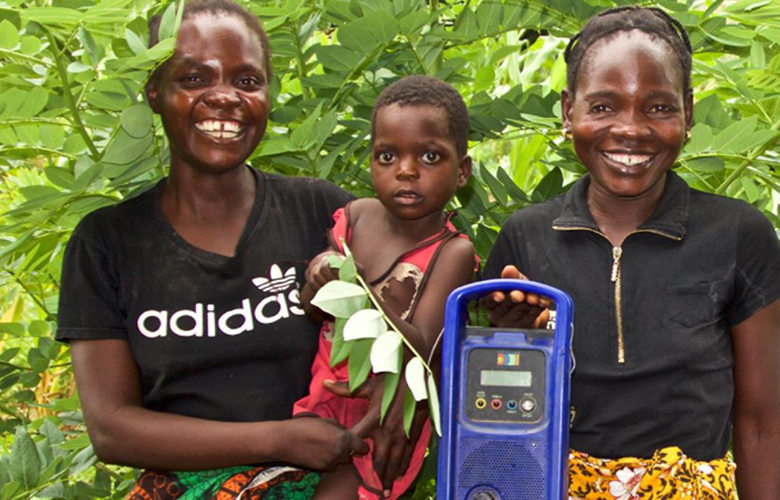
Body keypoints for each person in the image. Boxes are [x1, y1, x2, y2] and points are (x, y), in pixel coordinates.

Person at [55, 1, 372, 498]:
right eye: (194, 79)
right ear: (155, 92)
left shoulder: (324, 212)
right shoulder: (107, 244)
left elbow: (405, 338)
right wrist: (278, 439)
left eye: (247, 81)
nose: (224, 98)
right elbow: (112, 429)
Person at [482, 6, 780, 500]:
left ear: (687, 112)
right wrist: (512, 341)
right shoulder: (527, 237)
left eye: (658, 107)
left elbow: (763, 423)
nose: (631, 129)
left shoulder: (737, 234)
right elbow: (500, 415)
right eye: (603, 106)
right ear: (566, 111)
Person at [294, 75, 478, 500]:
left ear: (462, 171)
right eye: (388, 155)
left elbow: (422, 348)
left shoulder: (453, 252)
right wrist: (319, 272)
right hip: (324, 395)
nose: (407, 170)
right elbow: (313, 308)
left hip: (386, 417)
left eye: (430, 156)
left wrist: (360, 293)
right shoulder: (356, 217)